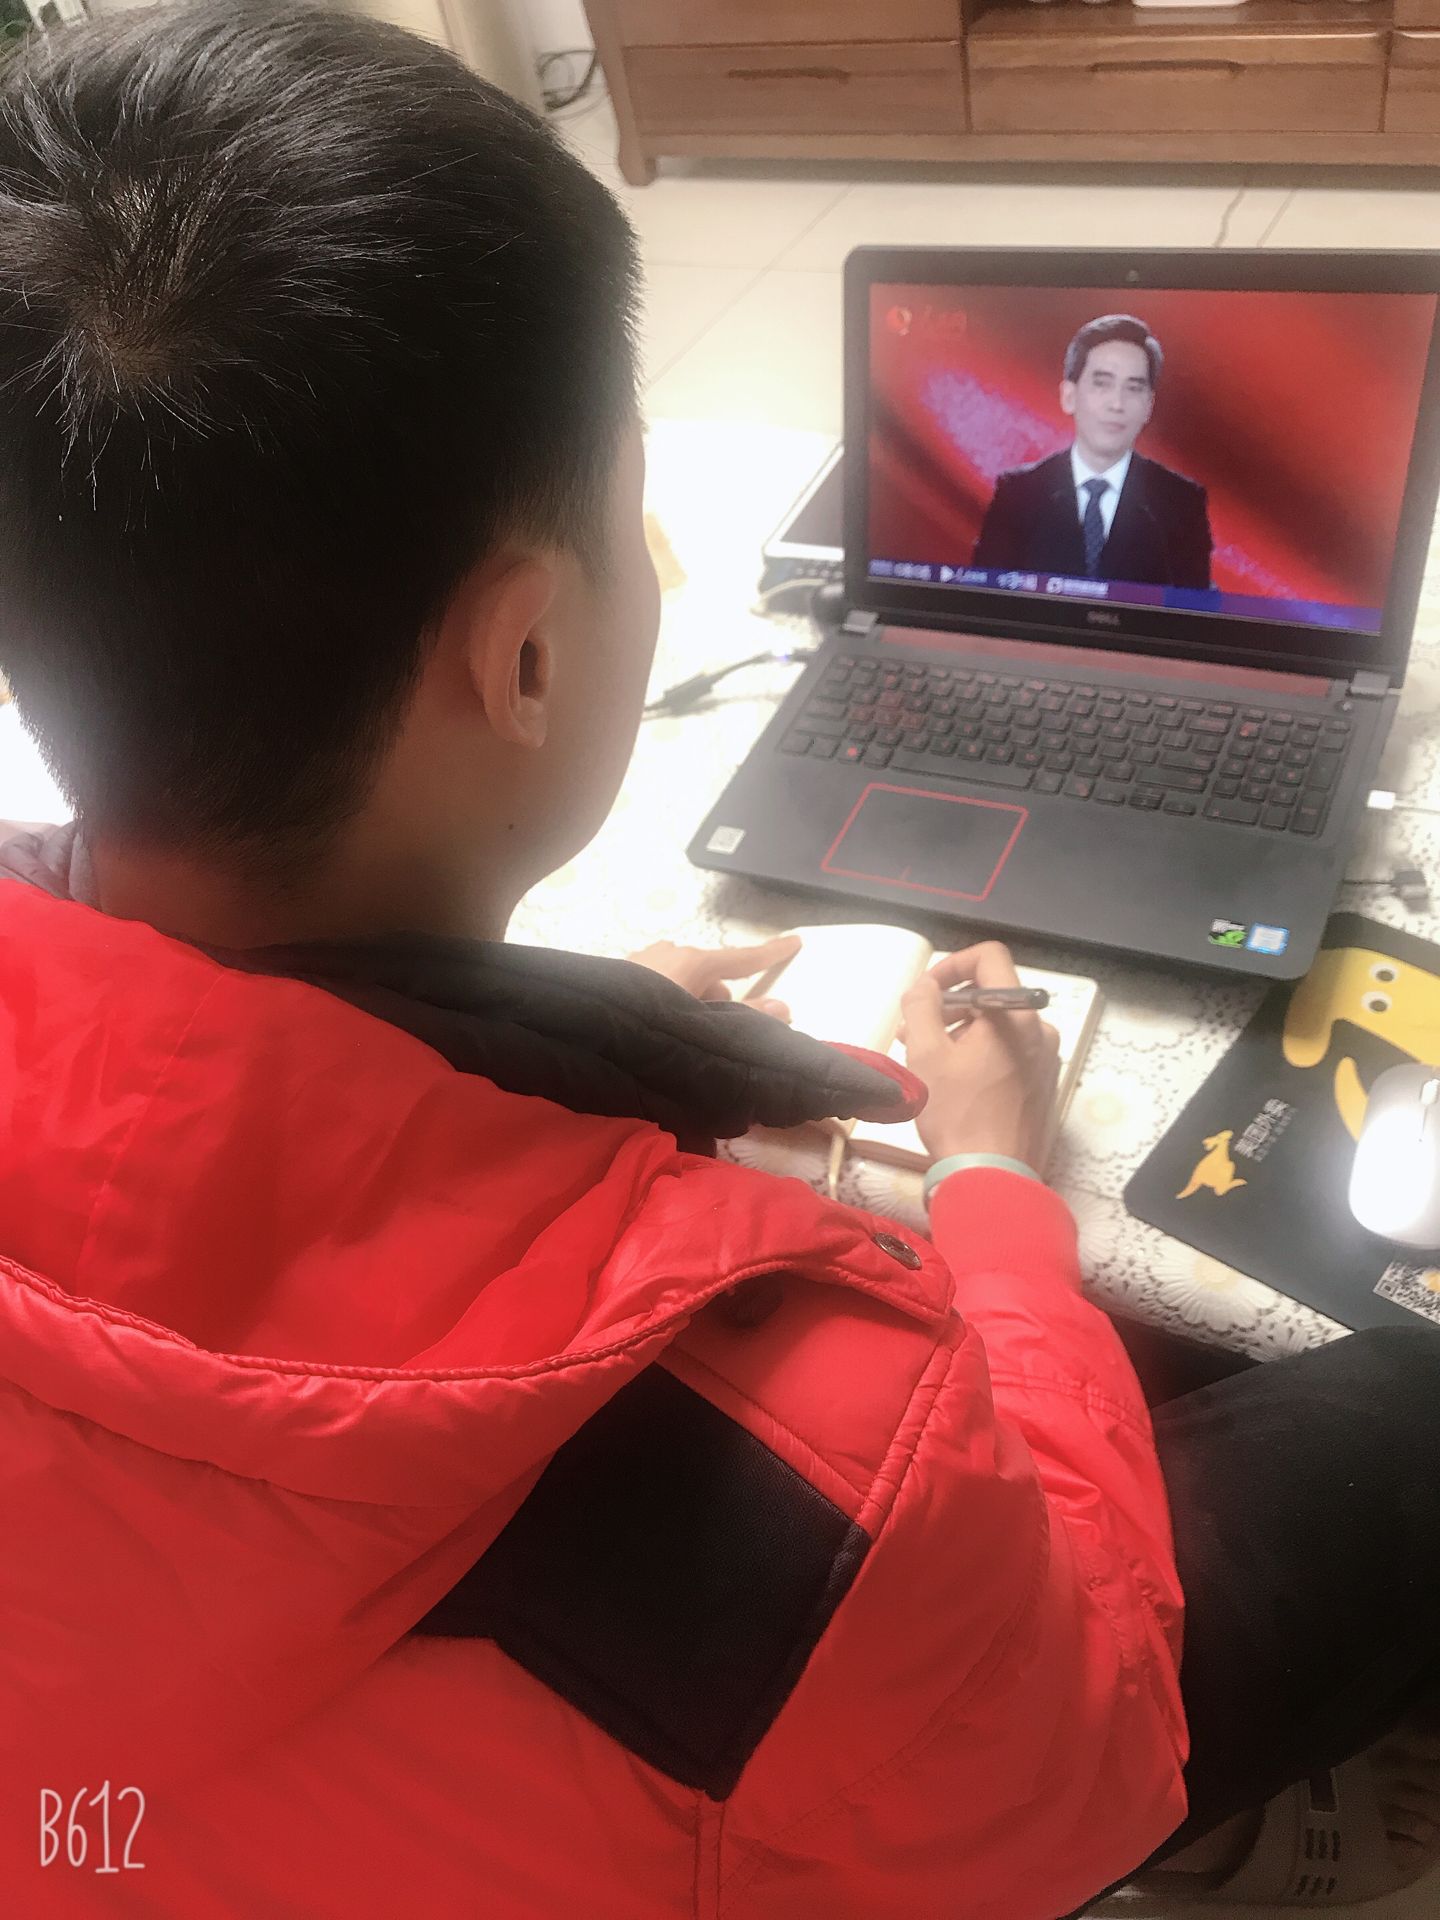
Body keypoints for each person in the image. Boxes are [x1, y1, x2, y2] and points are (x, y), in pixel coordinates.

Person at [0, 8, 1438, 1919]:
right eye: (630, 503)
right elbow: (1078, 1730)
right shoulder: (830, 1457)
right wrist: (997, 1190)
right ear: (525, 656)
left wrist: (534, 1053)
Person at [973, 314, 1214, 591]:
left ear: (1148, 406)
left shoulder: (1181, 501)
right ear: (1069, 396)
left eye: (1133, 388)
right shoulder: (1018, 493)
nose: (1117, 403)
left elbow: (1191, 607)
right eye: (1102, 384)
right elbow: (985, 597)